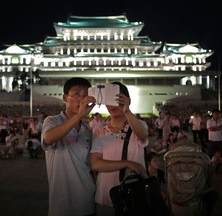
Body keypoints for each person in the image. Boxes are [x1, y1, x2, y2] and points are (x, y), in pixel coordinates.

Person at [90, 81, 149, 216]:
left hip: (134, 196)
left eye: (118, 99)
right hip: (105, 196)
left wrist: (126, 110)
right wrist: (128, 163)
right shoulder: (100, 132)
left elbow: (142, 134)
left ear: (127, 100)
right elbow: (96, 164)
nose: (113, 104)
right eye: (109, 100)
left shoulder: (139, 126)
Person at [41, 77, 96, 216]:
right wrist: (78, 116)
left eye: (85, 95)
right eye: (76, 94)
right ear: (65, 97)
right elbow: (48, 138)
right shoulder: (52, 121)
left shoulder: (87, 130)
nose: (81, 99)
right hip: (61, 203)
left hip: (86, 199)